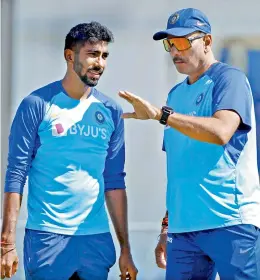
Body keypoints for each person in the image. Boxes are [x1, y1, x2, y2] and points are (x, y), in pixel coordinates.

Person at [118, 8, 260, 280]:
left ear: (207, 41)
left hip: (231, 223)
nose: (174, 51)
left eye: (182, 42)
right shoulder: (175, 94)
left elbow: (221, 131)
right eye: (169, 44)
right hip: (183, 232)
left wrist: (161, 115)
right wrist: (167, 225)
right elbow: (181, 169)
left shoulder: (229, 79)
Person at [1, 21, 138, 280]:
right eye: (92, 54)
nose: (100, 63)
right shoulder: (36, 105)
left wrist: (126, 249)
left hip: (96, 240)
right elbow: (16, 173)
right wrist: (6, 243)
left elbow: (114, 182)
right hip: (47, 238)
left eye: (104, 55)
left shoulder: (111, 111)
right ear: (69, 56)